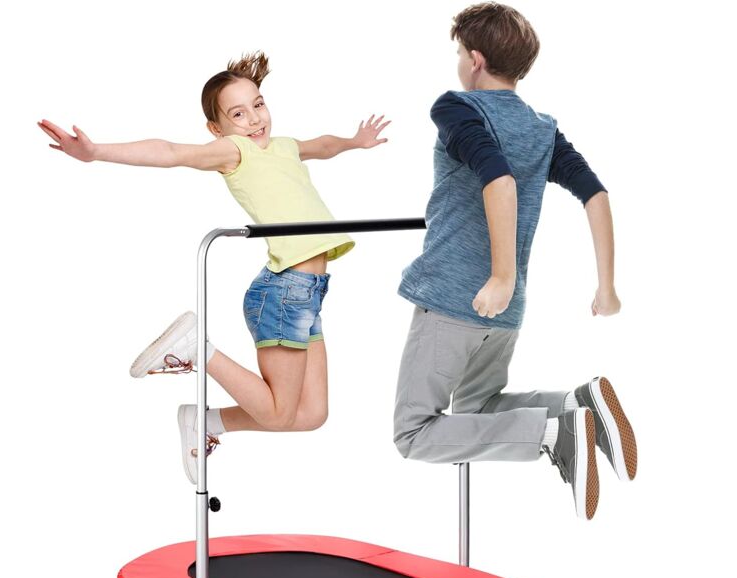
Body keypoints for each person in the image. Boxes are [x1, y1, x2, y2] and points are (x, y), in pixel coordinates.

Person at [38, 52, 390, 481]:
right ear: (217, 128)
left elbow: (323, 145)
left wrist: (354, 141)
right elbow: (170, 152)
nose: (254, 119)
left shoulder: (283, 147)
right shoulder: (234, 151)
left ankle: (206, 421)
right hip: (285, 293)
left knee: (311, 414)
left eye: (258, 104)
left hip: (308, 293)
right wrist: (95, 152)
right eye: (238, 114)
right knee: (280, 414)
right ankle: (198, 350)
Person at [393, 3, 637, 520]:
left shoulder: (459, 108)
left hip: (453, 299)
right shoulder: (541, 129)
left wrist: (500, 276)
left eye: (460, 53)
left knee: (414, 433)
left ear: (476, 60)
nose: (459, 63)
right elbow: (595, 194)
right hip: (504, 313)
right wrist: (607, 287)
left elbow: (498, 179)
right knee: (478, 410)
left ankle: (552, 434)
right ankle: (576, 405)